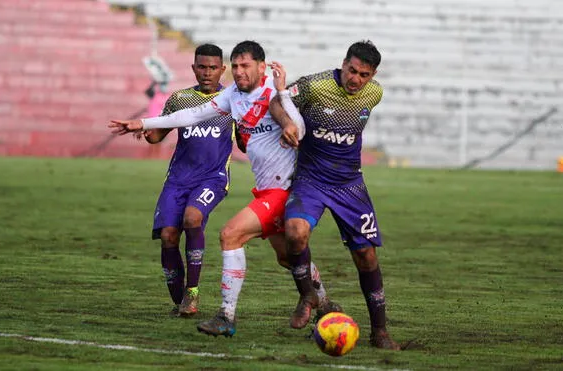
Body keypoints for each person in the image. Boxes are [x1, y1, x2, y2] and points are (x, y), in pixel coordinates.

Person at [109, 40, 340, 337]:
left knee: (231, 235)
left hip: (286, 189)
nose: (240, 72)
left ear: (261, 66)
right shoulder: (232, 94)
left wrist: (283, 95)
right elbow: (191, 115)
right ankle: (325, 304)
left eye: (245, 66)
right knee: (288, 257)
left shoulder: (273, 92)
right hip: (268, 188)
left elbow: (297, 125)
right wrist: (143, 122)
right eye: (236, 66)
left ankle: (226, 315)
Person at [268, 40, 401, 350]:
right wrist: (287, 122)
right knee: (295, 232)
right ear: (343, 63)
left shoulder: (375, 93)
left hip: (349, 185)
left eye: (363, 75)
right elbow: (277, 101)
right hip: (311, 179)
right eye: (351, 70)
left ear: (373, 75)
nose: (355, 79)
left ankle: (380, 332)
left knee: (366, 256)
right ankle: (307, 295)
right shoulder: (315, 85)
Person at [135, 44, 234, 317]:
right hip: (178, 178)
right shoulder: (180, 99)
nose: (207, 72)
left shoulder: (231, 100)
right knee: (168, 236)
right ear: (193, 68)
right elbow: (158, 135)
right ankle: (180, 303)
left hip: (212, 178)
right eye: (202, 67)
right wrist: (146, 132)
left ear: (222, 69)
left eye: (213, 67)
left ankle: (192, 293)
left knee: (192, 219)